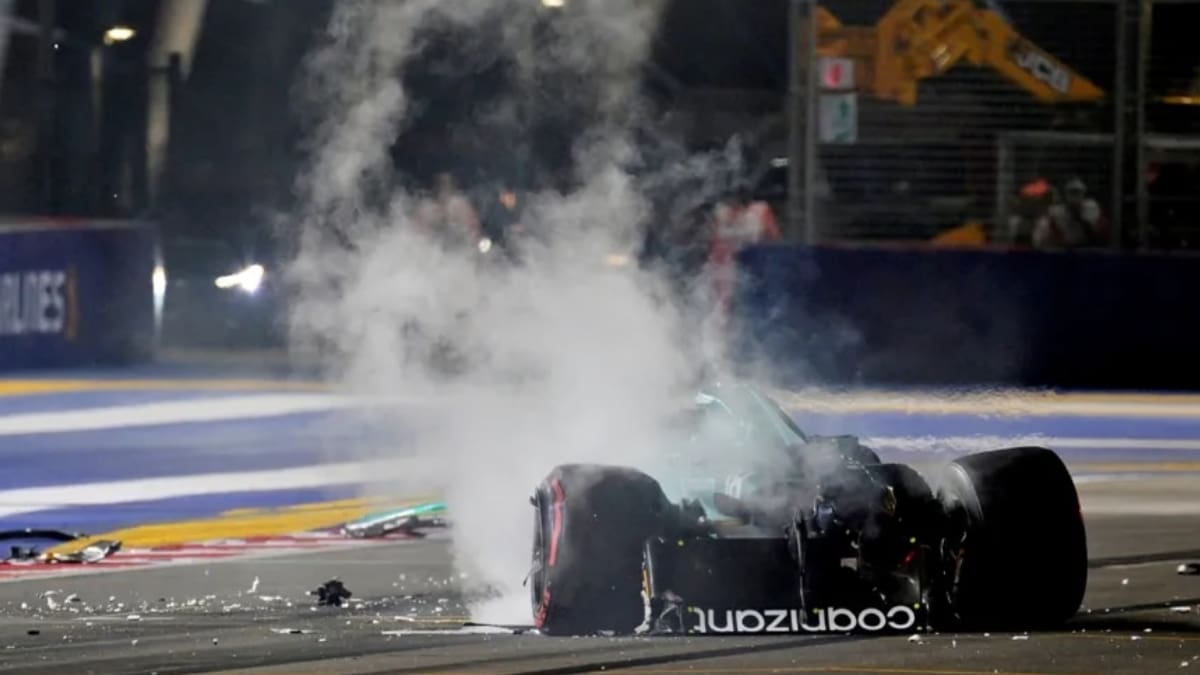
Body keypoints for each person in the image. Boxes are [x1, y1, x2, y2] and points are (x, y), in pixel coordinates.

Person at [707, 185, 782, 317]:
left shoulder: (760, 211)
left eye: (739, 205)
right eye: (733, 205)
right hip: (728, 264)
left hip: (754, 262)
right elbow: (716, 243)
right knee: (725, 301)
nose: (736, 209)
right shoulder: (722, 213)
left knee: (752, 300)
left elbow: (774, 237)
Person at [414, 172, 483, 254]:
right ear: (434, 187)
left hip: (460, 248)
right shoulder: (425, 208)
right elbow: (417, 235)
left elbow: (473, 229)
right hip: (432, 251)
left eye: (446, 184)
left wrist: (474, 247)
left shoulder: (462, 205)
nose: (443, 188)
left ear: (452, 186)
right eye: (440, 184)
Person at [1033, 177, 1108, 249]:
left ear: (1083, 193)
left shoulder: (1092, 207)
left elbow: (1099, 232)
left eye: (1077, 192)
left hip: (1087, 247)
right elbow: (1048, 237)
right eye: (1072, 192)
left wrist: (1084, 220)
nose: (1075, 196)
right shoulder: (1055, 212)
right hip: (1064, 249)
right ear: (1065, 193)